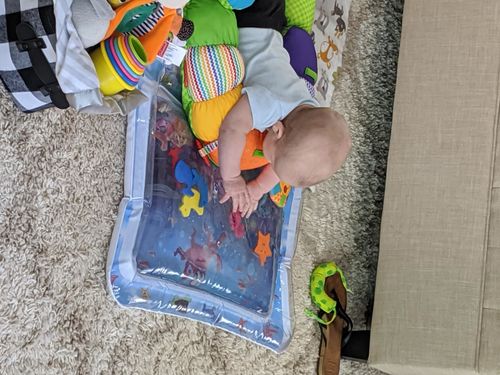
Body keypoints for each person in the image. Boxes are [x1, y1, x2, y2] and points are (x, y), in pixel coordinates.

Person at [218, 0, 351, 217]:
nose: (267, 161)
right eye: (270, 160)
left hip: (271, 21)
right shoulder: (270, 105)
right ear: (277, 130)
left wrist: (258, 188)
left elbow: (285, 159)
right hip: (247, 15)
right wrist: (232, 178)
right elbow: (231, 128)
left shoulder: (307, 107)